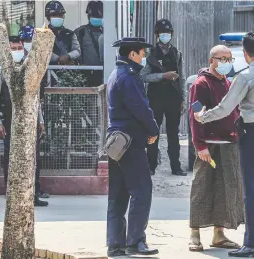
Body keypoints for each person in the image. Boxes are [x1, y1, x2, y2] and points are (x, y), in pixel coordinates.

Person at [194, 32, 254, 257]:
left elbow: (226, 108)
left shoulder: (245, 78)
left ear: (245, 54)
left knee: (252, 189)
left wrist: (203, 117)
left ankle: (253, 245)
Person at [106, 37, 159, 257]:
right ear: (132, 55)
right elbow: (141, 109)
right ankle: (136, 241)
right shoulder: (129, 77)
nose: (144, 58)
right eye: (142, 53)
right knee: (141, 190)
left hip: (116, 142)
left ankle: (115, 245)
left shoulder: (115, 74)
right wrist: (153, 130)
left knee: (118, 194)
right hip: (130, 142)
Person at [188, 45, 244, 252]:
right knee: (202, 187)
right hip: (209, 146)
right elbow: (195, 116)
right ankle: (194, 234)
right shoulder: (200, 84)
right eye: (222, 59)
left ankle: (219, 234)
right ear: (212, 60)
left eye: (229, 59)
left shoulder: (229, 83)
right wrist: (200, 145)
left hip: (229, 143)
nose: (226, 63)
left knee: (225, 189)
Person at [0, 36, 48, 207]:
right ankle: (12, 195)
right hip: (9, 120)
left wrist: (40, 120)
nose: (16, 51)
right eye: (13, 48)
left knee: (33, 157)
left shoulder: (29, 68)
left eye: (18, 48)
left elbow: (34, 97)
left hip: (30, 120)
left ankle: (33, 194)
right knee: (11, 157)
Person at [140, 18, 186, 176]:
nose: (165, 36)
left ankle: (176, 166)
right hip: (155, 98)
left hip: (173, 98)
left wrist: (183, 100)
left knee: (174, 134)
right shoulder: (150, 54)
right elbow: (144, 76)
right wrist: (162, 76)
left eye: (168, 33)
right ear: (157, 35)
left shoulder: (177, 53)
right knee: (153, 132)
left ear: (172, 34)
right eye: (162, 33)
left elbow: (182, 78)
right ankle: (150, 166)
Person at [18, 25, 50, 200]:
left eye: (32, 41)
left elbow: (37, 94)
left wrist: (41, 120)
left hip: (35, 111)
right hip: (17, 116)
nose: (29, 44)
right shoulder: (16, 64)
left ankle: (35, 190)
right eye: (27, 41)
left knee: (35, 155)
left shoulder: (38, 61)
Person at [74, 0, 103, 87]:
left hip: (103, 74)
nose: (97, 18)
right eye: (94, 16)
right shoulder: (80, 32)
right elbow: (74, 53)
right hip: (85, 75)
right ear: (88, 16)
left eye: (100, 16)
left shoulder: (108, 33)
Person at [45, 1, 81, 65]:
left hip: (68, 72)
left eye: (60, 15)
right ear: (48, 17)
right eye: (54, 15)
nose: (58, 17)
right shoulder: (42, 35)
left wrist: (68, 56)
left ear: (63, 16)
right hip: (49, 72)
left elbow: (77, 51)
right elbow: (42, 52)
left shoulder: (70, 34)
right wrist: (59, 59)